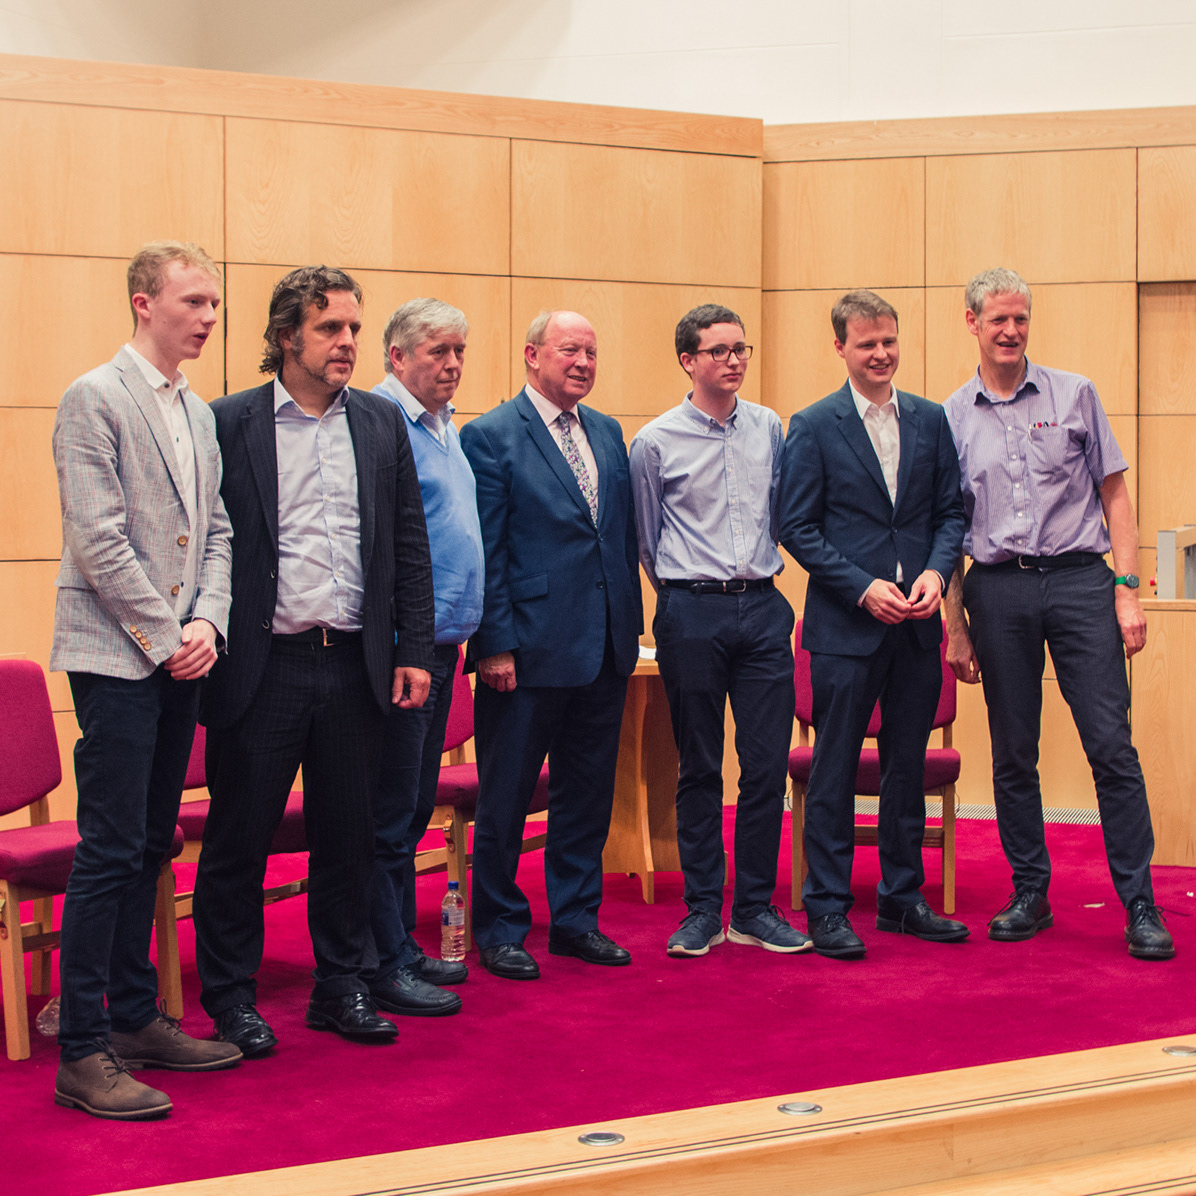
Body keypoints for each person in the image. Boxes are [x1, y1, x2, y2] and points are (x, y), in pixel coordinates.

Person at [193, 266, 437, 1055]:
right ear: (285, 335)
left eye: (354, 328)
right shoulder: (228, 422)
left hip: (353, 665)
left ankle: (342, 985)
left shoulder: (379, 421)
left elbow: (408, 543)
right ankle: (230, 997)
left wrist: (414, 648)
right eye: (330, 327)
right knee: (239, 842)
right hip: (262, 666)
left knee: (350, 839)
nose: (347, 342)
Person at [50, 241, 241, 1119]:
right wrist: (169, 638)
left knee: (153, 844)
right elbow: (98, 540)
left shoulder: (197, 412)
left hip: (181, 653)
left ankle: (133, 1018)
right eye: (193, 301)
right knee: (110, 848)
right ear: (143, 302)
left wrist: (208, 624)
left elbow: (219, 533)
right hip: (117, 656)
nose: (208, 317)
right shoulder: (94, 396)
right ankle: (80, 1048)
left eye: (214, 304)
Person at [942, 267, 1173, 961]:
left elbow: (1115, 496)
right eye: (998, 320)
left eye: (1020, 319)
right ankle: (1030, 893)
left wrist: (1126, 590)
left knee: (1111, 746)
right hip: (997, 590)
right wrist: (955, 625)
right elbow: (947, 528)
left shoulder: (1075, 394)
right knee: (1013, 752)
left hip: (1079, 584)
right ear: (972, 323)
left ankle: (1140, 903)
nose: (1011, 331)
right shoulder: (950, 417)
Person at [779, 290, 968, 960]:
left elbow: (951, 514)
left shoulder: (930, 419)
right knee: (832, 771)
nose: (882, 353)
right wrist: (861, 589)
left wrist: (936, 574)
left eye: (889, 341)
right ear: (841, 348)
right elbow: (796, 526)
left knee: (905, 769)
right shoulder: (813, 425)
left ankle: (902, 898)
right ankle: (828, 907)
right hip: (845, 629)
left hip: (917, 627)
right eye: (867, 344)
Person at [459, 310, 642, 979]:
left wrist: (630, 625)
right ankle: (500, 927)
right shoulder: (490, 435)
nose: (584, 363)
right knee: (506, 798)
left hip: (604, 646)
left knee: (586, 794)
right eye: (570, 350)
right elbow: (487, 549)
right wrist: (494, 644)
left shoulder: (607, 431)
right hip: (526, 652)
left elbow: (615, 536)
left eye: (592, 352)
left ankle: (575, 920)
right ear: (532, 355)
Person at [629, 304, 806, 959]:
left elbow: (783, 515)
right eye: (719, 351)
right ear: (688, 360)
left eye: (741, 349)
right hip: (691, 610)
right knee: (699, 766)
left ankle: (754, 909)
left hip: (763, 607)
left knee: (765, 766)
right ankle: (703, 908)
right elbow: (647, 540)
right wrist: (687, 594)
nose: (734, 361)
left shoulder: (769, 427)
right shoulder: (654, 442)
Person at [367, 299, 484, 1016]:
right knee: (389, 812)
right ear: (397, 356)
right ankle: (382, 960)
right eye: (438, 351)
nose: (452, 364)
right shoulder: (382, 424)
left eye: (459, 351)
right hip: (403, 651)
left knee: (411, 807)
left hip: (445, 647)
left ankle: (398, 948)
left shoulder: (444, 426)